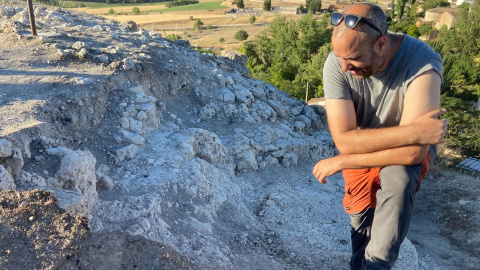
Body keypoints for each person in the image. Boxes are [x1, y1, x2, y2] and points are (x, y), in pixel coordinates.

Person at [312, 3, 448, 270]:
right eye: (340, 58)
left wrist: (343, 160)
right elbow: (344, 141)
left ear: (381, 44)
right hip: (360, 153)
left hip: (390, 157)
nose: (343, 68)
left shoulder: (422, 65)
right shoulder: (338, 62)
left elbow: (413, 154)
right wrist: (415, 132)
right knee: (361, 233)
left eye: (353, 59)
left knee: (400, 177)